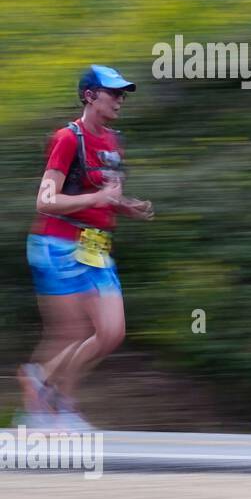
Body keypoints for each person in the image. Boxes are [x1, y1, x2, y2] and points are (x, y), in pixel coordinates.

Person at [19, 65, 154, 432]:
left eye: (123, 94)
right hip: (59, 241)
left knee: (111, 332)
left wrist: (126, 206)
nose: (120, 100)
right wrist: (100, 197)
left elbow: (103, 194)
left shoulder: (113, 140)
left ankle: (43, 381)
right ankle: (55, 404)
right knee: (73, 332)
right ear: (90, 96)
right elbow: (45, 201)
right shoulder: (67, 138)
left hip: (96, 245)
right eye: (113, 93)